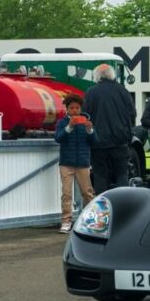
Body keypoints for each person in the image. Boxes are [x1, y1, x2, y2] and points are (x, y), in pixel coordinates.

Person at [83, 63, 136, 193]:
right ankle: (123, 206)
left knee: (100, 177)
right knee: (122, 175)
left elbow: (85, 116)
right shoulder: (123, 91)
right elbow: (132, 113)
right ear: (112, 75)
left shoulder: (91, 92)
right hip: (120, 141)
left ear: (97, 76)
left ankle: (103, 208)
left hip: (98, 143)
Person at [54, 94, 96, 233]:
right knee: (66, 193)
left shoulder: (86, 122)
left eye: (77, 108)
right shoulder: (62, 122)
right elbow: (58, 138)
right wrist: (69, 127)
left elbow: (95, 142)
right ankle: (66, 221)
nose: (74, 111)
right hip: (66, 162)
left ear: (81, 108)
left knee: (87, 193)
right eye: (71, 108)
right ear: (67, 109)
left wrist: (90, 130)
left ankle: (92, 220)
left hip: (83, 162)